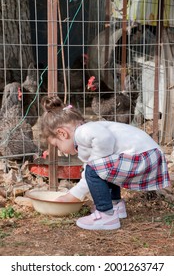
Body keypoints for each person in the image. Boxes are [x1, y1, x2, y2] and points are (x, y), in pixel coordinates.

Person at [40, 96, 171, 230]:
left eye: (56, 145)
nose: (60, 150)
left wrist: (96, 163)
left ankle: (106, 215)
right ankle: (115, 205)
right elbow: (92, 172)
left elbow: (104, 139)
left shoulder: (83, 132)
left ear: (62, 133)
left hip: (145, 157)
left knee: (96, 168)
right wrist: (73, 195)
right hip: (149, 155)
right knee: (100, 169)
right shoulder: (85, 138)